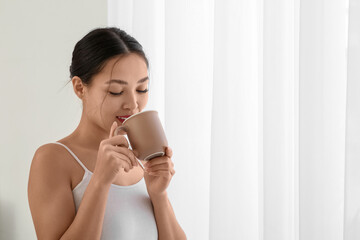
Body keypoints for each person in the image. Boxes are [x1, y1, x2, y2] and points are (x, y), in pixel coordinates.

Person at [27, 27, 187, 240]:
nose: (132, 104)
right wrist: (100, 181)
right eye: (116, 91)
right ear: (80, 88)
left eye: (142, 89)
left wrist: (159, 195)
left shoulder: (143, 163)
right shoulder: (52, 159)